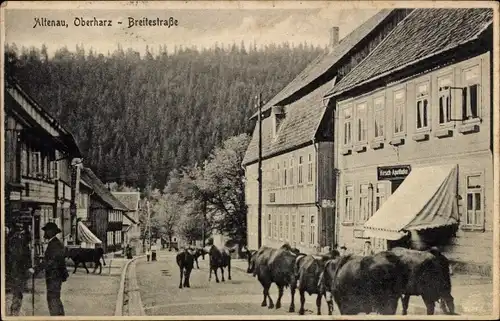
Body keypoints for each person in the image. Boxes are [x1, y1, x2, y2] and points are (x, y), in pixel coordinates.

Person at [30, 222, 68, 316]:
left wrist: (36, 269)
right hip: (55, 275)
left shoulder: (55, 244)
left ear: (51, 232)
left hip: (54, 275)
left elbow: (50, 261)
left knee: (52, 299)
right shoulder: (54, 243)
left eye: (46, 231)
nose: (44, 233)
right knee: (55, 298)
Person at [6, 223, 32, 316]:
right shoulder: (17, 240)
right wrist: (28, 266)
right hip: (18, 269)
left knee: (17, 291)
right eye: (20, 229)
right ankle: (14, 312)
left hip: (16, 269)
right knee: (18, 291)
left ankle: (14, 310)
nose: (22, 231)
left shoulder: (13, 239)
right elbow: (22, 254)